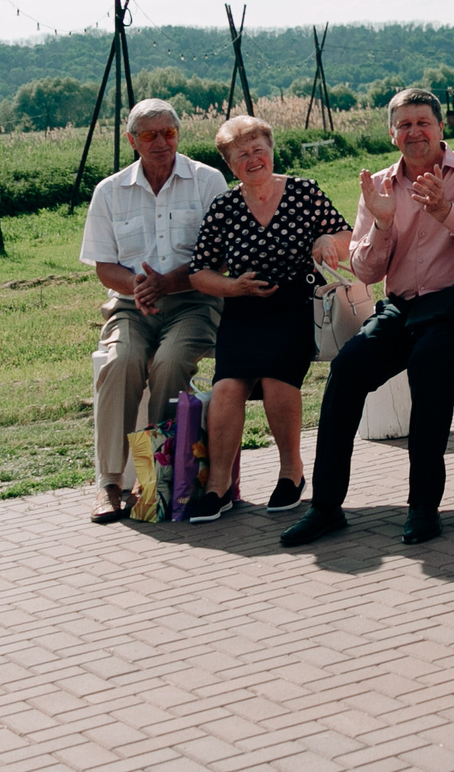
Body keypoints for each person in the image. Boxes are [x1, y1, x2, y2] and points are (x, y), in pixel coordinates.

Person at [280, 88, 454, 549]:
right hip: (403, 305)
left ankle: (423, 506)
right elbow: (365, 271)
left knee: (429, 363)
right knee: (346, 370)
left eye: (423, 122)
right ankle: (326, 507)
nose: (414, 131)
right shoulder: (380, 185)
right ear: (392, 134)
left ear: (441, 128)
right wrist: (382, 225)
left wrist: (445, 210)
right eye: (404, 125)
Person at [185, 116, 353, 514]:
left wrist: (327, 240)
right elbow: (199, 272)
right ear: (230, 164)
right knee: (227, 388)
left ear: (272, 149)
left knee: (278, 380)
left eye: (259, 149)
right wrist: (233, 287)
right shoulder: (225, 206)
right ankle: (219, 486)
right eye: (242, 154)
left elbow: (348, 238)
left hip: (295, 303)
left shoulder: (303, 191)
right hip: (242, 310)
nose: (253, 158)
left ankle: (290, 472)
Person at [77, 100, 229, 524]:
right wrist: (139, 287)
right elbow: (104, 265)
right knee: (119, 362)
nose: (161, 142)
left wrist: (170, 283)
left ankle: (153, 474)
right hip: (131, 305)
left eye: (169, 133)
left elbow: (218, 255)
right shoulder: (109, 191)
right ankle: (109, 483)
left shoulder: (207, 180)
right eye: (149, 135)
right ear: (131, 141)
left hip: (194, 301)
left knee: (169, 363)